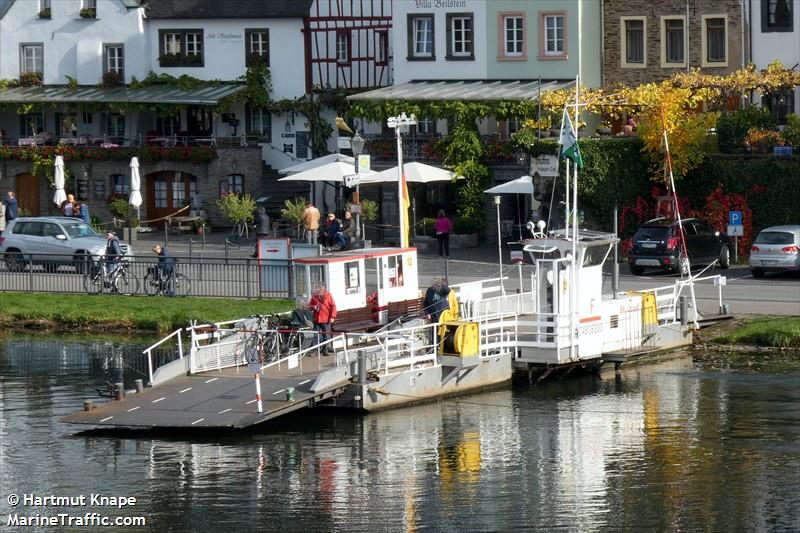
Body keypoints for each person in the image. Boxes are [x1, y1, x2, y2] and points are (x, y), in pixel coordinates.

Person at [309, 284, 337, 354]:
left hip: (325, 318)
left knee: (326, 335)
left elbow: (333, 306)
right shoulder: (314, 296)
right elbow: (309, 305)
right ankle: (315, 350)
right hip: (316, 318)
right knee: (315, 334)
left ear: (324, 289)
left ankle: (325, 349)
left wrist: (332, 317)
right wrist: (314, 307)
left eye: (320, 289)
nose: (318, 291)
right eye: (317, 289)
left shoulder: (328, 295)